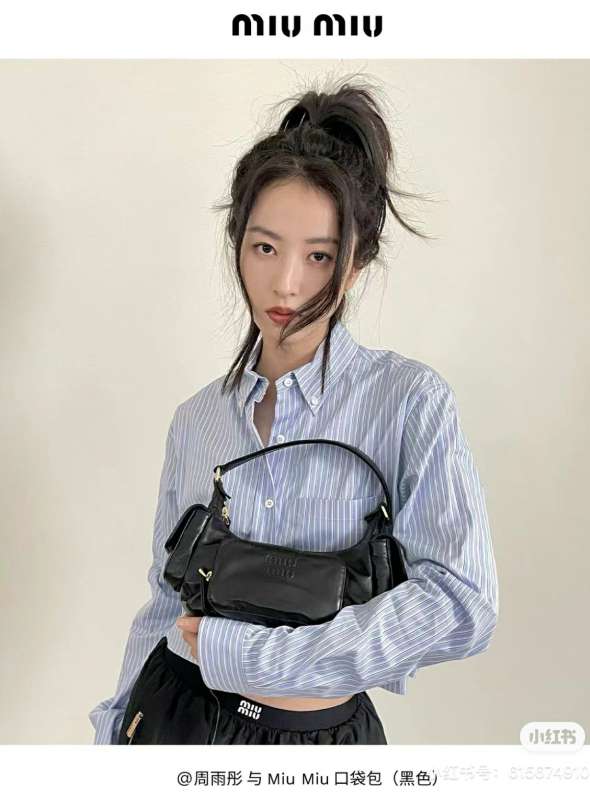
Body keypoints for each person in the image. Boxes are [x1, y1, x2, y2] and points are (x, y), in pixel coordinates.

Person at [89, 74, 499, 745]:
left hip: (321, 743)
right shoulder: (197, 420)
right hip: (173, 720)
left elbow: (461, 603)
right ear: (236, 243)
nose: (285, 284)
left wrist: (253, 656)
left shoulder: (407, 403)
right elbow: (165, 602)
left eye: (319, 257)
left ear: (355, 263)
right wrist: (111, 735)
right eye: (265, 248)